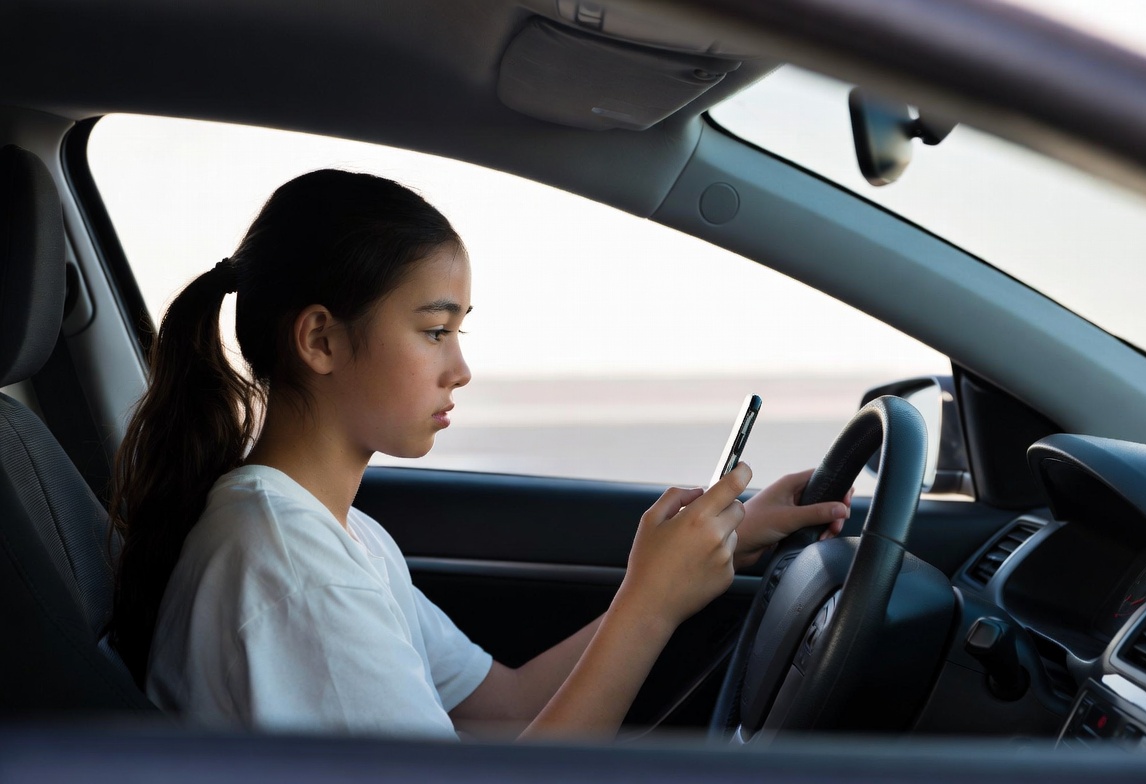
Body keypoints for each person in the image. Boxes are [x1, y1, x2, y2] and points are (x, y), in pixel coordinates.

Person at [109, 170, 850, 740]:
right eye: (435, 331)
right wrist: (651, 605)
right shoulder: (290, 564)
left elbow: (505, 703)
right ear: (321, 340)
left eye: (459, 332)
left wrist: (710, 554)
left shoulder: (341, 537)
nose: (460, 369)